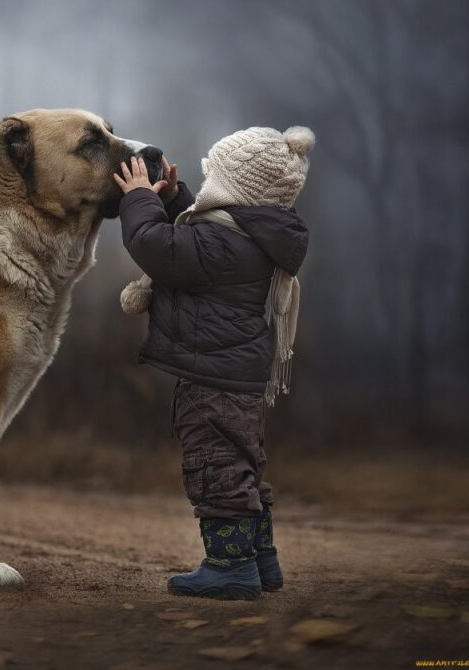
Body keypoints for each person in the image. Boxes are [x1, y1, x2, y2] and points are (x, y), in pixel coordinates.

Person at [112, 126, 314, 600]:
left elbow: (154, 245)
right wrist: (172, 197)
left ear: (235, 188)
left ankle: (230, 568)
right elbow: (195, 234)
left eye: (212, 178)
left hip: (212, 380)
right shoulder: (250, 235)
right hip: (237, 376)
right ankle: (261, 561)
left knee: (215, 466)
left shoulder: (222, 246)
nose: (205, 188)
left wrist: (139, 199)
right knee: (242, 466)